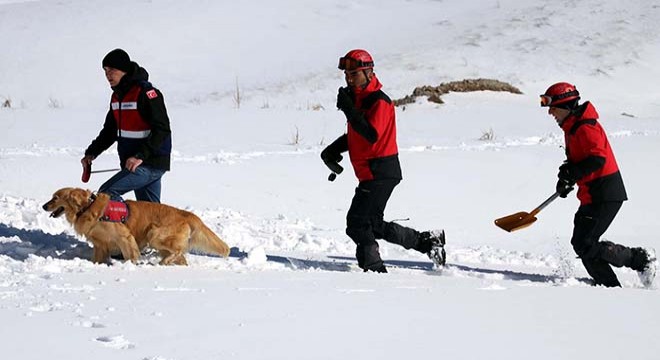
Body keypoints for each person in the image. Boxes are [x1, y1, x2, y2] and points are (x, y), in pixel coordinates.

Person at [321, 49, 446, 273]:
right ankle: (427, 241)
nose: (350, 79)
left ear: (369, 72)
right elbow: (356, 134)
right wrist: (333, 149)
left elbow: (371, 134)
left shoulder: (379, 101)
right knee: (373, 225)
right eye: (347, 75)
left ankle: (374, 271)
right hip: (372, 173)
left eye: (355, 74)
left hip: (380, 171)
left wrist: (349, 110)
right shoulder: (360, 101)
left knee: (358, 224)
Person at [541, 82, 656, 287]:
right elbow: (580, 160)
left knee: (585, 243)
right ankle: (609, 286)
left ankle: (639, 259)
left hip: (605, 192)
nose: (550, 113)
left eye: (553, 108)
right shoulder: (573, 127)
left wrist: (573, 173)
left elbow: (597, 159)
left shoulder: (586, 126)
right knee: (583, 244)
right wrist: (566, 176)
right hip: (592, 193)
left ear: (566, 105)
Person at [81, 49, 172, 203]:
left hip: (149, 161)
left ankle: (119, 226)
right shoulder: (117, 97)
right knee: (149, 212)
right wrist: (92, 153)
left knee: (106, 194)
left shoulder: (146, 93)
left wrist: (139, 156)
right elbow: (110, 131)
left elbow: (162, 129)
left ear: (124, 70)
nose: (108, 74)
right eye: (105, 70)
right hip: (134, 163)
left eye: (112, 70)